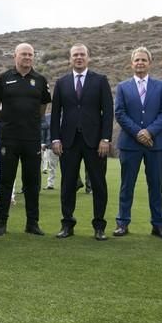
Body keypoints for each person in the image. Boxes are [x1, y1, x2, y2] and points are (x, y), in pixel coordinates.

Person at [50, 43, 112, 240]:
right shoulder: (61, 82)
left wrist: (105, 138)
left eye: (82, 55)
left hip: (94, 142)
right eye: (75, 55)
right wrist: (55, 138)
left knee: (98, 184)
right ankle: (67, 224)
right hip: (68, 142)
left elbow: (108, 112)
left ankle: (99, 226)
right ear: (70, 59)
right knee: (68, 184)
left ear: (88, 58)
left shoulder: (100, 81)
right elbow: (55, 114)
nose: (78, 58)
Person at [113, 47, 162, 239]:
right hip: (130, 143)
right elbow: (120, 113)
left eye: (143, 60)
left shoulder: (161, 85)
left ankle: (158, 224)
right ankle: (122, 223)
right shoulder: (122, 87)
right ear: (131, 63)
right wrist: (138, 132)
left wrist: (149, 131)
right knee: (126, 185)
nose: (140, 63)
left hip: (155, 143)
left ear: (150, 63)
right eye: (137, 60)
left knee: (156, 184)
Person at [0, 43, 51, 236]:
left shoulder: (40, 80)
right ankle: (1, 222)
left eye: (30, 54)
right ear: (15, 56)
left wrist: (31, 123)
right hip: (9, 138)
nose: (27, 57)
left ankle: (32, 223)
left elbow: (43, 108)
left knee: (32, 182)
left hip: (32, 139)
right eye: (23, 54)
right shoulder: (4, 78)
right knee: (6, 181)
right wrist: (7, 122)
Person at [41, 111, 58, 190]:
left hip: (66, 145)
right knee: (52, 166)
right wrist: (43, 143)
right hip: (51, 145)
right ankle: (50, 184)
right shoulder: (47, 117)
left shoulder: (66, 114)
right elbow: (44, 130)